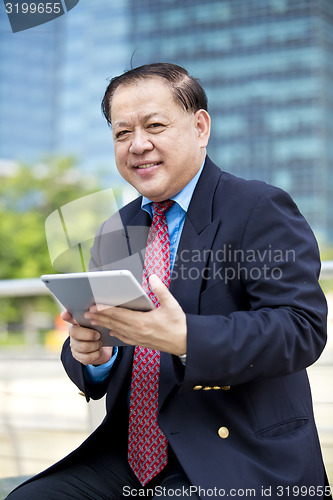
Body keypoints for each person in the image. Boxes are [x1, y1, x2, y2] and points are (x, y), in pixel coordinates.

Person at [7, 63, 332, 499]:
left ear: (200, 127)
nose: (138, 144)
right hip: (126, 456)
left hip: (235, 449)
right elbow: (102, 350)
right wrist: (95, 355)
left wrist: (187, 338)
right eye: (122, 133)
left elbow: (300, 329)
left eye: (155, 125)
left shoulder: (258, 206)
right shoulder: (115, 229)